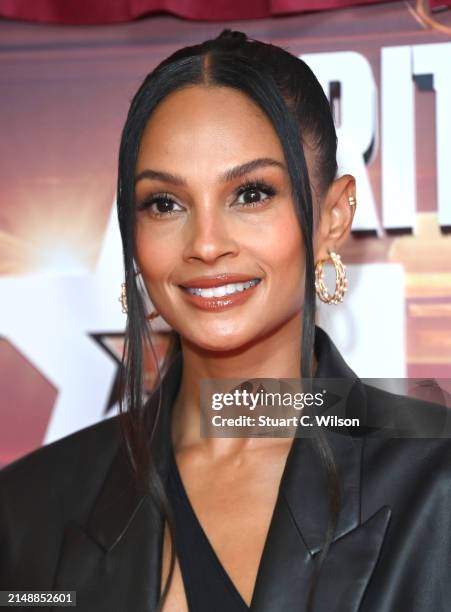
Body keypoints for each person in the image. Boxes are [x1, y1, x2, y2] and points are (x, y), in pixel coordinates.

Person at [1, 28, 450, 612]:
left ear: (333, 217)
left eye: (251, 193)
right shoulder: (27, 509)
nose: (206, 245)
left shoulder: (436, 481)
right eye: (165, 203)